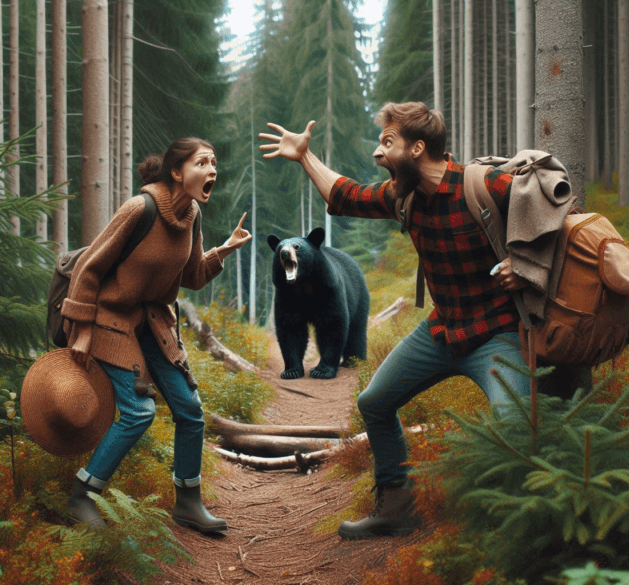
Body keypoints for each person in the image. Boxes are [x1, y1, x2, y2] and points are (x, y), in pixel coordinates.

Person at [259, 101, 545, 540]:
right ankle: (396, 507)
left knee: (513, 426)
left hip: (498, 334)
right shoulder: (403, 197)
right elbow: (344, 196)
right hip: (441, 330)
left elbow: (562, 216)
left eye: (386, 142)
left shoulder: (487, 185)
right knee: (374, 402)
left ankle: (519, 534)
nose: (378, 153)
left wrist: (527, 264)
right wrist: (304, 156)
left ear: (416, 148)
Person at [61, 137, 251, 533]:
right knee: (138, 412)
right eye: (203, 162)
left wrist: (225, 249)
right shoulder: (140, 208)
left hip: (154, 323)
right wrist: (79, 330)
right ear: (177, 172)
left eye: (215, 162)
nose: (213, 169)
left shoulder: (192, 215)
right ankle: (82, 496)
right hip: (108, 319)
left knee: (191, 411)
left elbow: (193, 275)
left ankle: (188, 502)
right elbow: (89, 269)